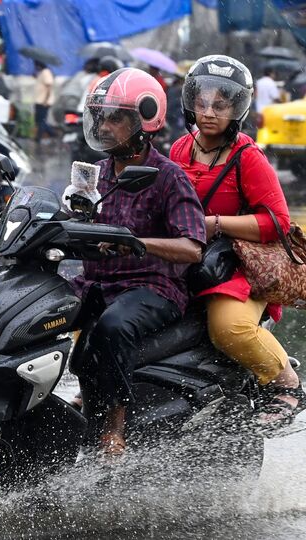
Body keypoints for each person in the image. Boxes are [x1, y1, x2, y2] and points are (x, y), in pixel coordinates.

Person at [71, 67, 206, 458]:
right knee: (38, 314)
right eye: (102, 117)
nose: (106, 126)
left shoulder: (168, 177)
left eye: (117, 118)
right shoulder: (95, 174)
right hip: (97, 284)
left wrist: (138, 244)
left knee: (110, 328)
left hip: (152, 288)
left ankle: (114, 428)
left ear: (144, 120)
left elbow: (192, 246)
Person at [170, 55, 306, 430]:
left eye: (221, 105)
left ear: (238, 108)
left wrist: (215, 223)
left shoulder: (248, 157)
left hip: (236, 266)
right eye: (202, 103)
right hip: (187, 260)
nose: (209, 112)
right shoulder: (180, 149)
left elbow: (277, 222)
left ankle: (287, 385)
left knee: (229, 328)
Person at [33, 60, 56, 142]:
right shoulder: (42, 72)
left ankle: (39, 137)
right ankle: (52, 133)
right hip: (40, 100)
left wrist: (46, 100)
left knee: (41, 120)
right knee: (40, 120)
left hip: (43, 101)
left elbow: (49, 85)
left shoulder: (46, 72)